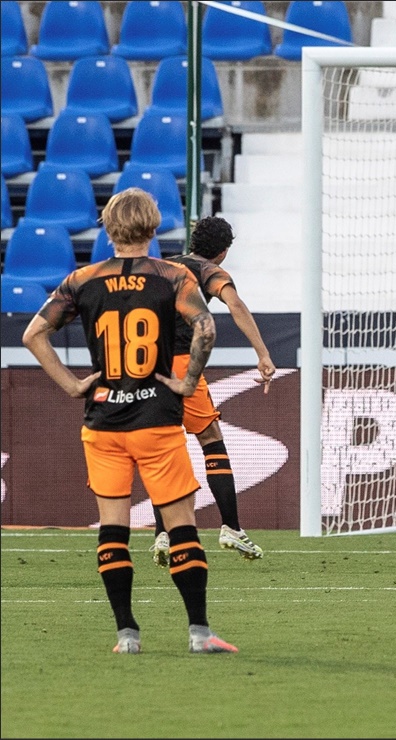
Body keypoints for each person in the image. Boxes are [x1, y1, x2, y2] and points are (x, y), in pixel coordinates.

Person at [21, 188, 237, 653]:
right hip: (156, 418)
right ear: (154, 226)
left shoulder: (82, 279)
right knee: (181, 528)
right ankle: (199, 633)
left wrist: (71, 384)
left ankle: (127, 635)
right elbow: (207, 327)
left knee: (113, 529)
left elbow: (33, 333)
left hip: (102, 423)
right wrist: (187, 381)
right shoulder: (172, 276)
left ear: (108, 227)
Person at [149, 215, 276, 566]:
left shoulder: (162, 266)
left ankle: (162, 533)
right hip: (181, 365)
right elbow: (235, 305)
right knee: (210, 440)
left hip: (146, 367)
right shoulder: (209, 271)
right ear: (223, 252)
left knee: (164, 446)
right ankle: (231, 527)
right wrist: (263, 354)